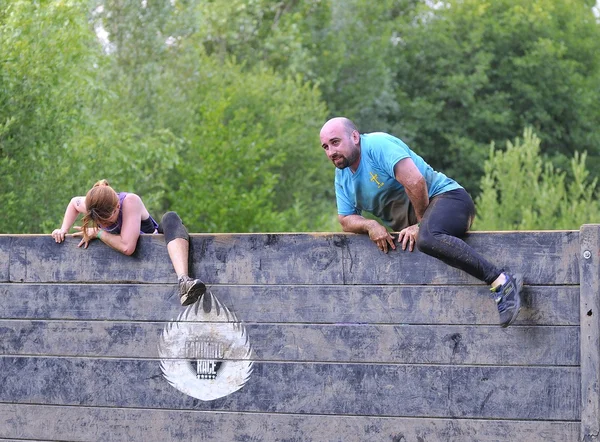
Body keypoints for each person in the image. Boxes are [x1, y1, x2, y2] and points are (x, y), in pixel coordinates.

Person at [319, 117, 523, 327]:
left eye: (335, 142)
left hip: (450, 200)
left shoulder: (377, 145)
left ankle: (502, 281)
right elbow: (345, 218)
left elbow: (415, 181)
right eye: (325, 147)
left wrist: (420, 224)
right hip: (423, 229)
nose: (331, 151)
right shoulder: (342, 176)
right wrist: (370, 225)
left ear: (354, 136)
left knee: (428, 237)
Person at [51, 179, 205, 306]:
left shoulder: (130, 201)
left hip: (152, 250)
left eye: (107, 220)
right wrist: (63, 229)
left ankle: (184, 281)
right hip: (124, 274)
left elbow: (127, 247)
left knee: (170, 217)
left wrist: (98, 233)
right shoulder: (93, 205)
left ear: (117, 206)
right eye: (98, 221)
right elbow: (73, 203)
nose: (102, 223)